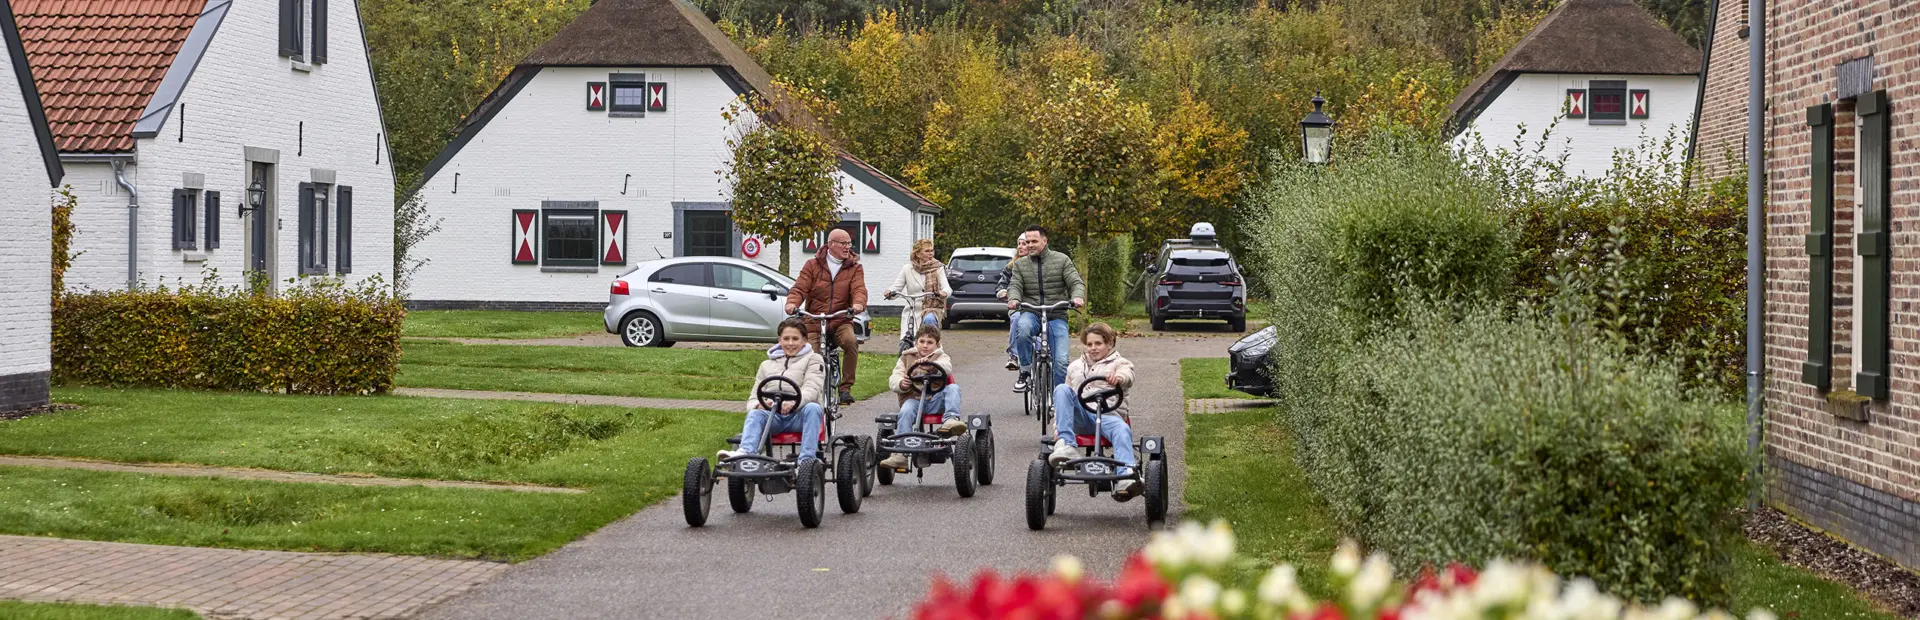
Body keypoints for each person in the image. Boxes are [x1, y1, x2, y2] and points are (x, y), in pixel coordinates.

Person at [1048, 322, 1140, 501]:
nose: (1093, 348)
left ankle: (1126, 475)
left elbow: (1128, 376)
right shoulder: (1075, 366)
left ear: (1110, 343)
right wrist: (1057, 429)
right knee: (1061, 389)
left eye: (1098, 344)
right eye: (1089, 344)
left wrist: (1118, 378)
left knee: (1122, 430)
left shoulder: (1120, 363)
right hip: (1082, 417)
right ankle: (1066, 445)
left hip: (1108, 416)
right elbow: (1063, 403)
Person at [721, 318, 827, 463]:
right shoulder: (766, 365)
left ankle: (806, 460)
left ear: (804, 340)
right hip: (774, 416)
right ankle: (745, 453)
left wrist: (793, 403)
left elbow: (812, 388)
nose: (790, 343)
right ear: (780, 340)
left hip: (800, 415)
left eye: (795, 339)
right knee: (755, 413)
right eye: (786, 339)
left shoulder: (814, 359)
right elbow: (753, 397)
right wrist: (758, 405)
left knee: (813, 408)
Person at [786, 228, 867, 405]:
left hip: (840, 319)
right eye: (843, 243)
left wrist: (858, 304)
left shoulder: (854, 267)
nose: (847, 247)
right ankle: (810, 390)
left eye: (849, 243)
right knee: (809, 355)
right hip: (814, 320)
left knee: (851, 342)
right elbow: (800, 288)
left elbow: (859, 289)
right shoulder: (812, 265)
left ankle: (845, 388)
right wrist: (792, 303)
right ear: (831, 244)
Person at [1005, 225, 1085, 393]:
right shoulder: (1020, 265)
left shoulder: (1062, 260)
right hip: (1032, 311)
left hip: (1056, 314)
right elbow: (1015, 285)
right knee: (1023, 328)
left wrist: (1077, 296)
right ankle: (1025, 372)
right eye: (1027, 242)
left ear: (1045, 240)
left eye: (1034, 241)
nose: (1030, 245)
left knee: (1062, 360)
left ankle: (1059, 397)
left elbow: (1075, 282)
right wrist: (1013, 299)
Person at [880, 326, 967, 471]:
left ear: (937, 345)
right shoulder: (906, 357)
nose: (925, 346)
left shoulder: (941, 356)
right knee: (906, 412)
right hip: (914, 398)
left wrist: (932, 367)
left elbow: (947, 367)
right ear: (916, 343)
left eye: (930, 342)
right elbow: (894, 377)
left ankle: (951, 419)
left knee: (953, 388)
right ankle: (901, 454)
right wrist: (902, 383)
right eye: (922, 341)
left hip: (935, 400)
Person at [886, 238, 950, 351]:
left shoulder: (938, 268)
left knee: (929, 320)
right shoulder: (907, 269)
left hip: (931, 308)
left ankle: (933, 349)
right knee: (906, 336)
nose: (931, 253)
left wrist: (942, 293)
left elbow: (947, 288)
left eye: (932, 251)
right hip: (912, 309)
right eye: (927, 251)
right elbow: (896, 287)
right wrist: (890, 292)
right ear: (918, 253)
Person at [998, 232, 1032, 373]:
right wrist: (1003, 292)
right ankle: (1014, 355)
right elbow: (1001, 285)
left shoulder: (1040, 264)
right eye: (1019, 244)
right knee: (1016, 319)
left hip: (1035, 305)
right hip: (1018, 306)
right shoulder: (1011, 267)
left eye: (1024, 243)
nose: (1020, 247)